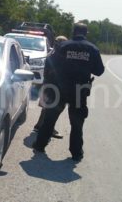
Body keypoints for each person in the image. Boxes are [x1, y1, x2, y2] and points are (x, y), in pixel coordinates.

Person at [32, 23, 105, 162]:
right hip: (79, 91)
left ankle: (40, 146)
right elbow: (99, 71)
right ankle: (76, 153)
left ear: (73, 32)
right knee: (77, 123)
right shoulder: (92, 49)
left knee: (50, 119)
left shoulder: (63, 46)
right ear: (86, 33)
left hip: (59, 88)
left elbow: (50, 61)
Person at [33, 35, 69, 139]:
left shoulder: (51, 54)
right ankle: (49, 129)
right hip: (53, 87)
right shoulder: (58, 57)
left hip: (47, 85)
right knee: (52, 110)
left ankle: (39, 125)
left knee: (46, 108)